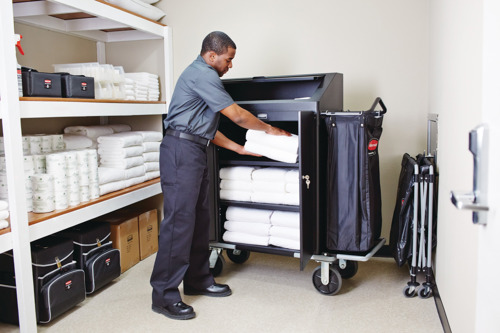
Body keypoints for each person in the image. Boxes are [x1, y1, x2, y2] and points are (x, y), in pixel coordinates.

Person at [150, 31, 290, 320]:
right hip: (180, 151)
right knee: (179, 223)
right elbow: (237, 115)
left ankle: (198, 279)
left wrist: (239, 147)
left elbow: (206, 128)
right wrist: (270, 130)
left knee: (200, 219)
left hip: (195, 149)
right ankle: (163, 296)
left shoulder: (204, 78)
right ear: (212, 55)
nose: (230, 66)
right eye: (228, 59)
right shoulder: (203, 75)